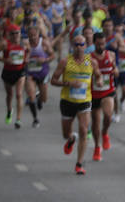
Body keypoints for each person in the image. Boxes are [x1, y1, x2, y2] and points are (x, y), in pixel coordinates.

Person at [50, 34, 98, 175]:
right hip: (67, 101)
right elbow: (53, 80)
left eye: (81, 44)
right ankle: (71, 138)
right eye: (76, 45)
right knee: (66, 133)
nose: (79, 47)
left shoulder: (92, 62)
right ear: (72, 46)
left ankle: (79, 163)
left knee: (84, 130)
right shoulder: (65, 62)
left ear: (86, 46)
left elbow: (99, 75)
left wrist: (100, 81)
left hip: (84, 101)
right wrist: (68, 83)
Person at [89, 31, 118, 161]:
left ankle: (105, 132)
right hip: (94, 93)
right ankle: (97, 147)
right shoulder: (89, 59)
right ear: (94, 43)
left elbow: (116, 72)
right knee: (95, 122)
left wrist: (114, 68)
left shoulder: (111, 55)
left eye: (103, 43)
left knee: (108, 115)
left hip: (108, 91)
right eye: (99, 44)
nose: (101, 46)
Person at [0, 25, 28, 128]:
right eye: (13, 33)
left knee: (19, 94)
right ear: (9, 35)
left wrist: (27, 58)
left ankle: (18, 119)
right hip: (8, 72)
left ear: (20, 33)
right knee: (10, 95)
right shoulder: (4, 44)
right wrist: (4, 60)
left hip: (20, 71)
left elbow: (29, 51)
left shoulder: (24, 43)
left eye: (17, 33)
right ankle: (9, 110)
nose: (15, 35)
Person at [24, 25, 55, 128]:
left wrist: (45, 60)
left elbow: (52, 56)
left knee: (44, 99)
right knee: (30, 97)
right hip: (31, 74)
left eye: (35, 35)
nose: (33, 37)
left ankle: (39, 98)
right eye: (30, 35)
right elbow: (21, 57)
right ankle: (35, 119)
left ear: (38, 34)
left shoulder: (44, 43)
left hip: (43, 74)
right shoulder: (26, 44)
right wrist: (25, 59)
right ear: (27, 35)